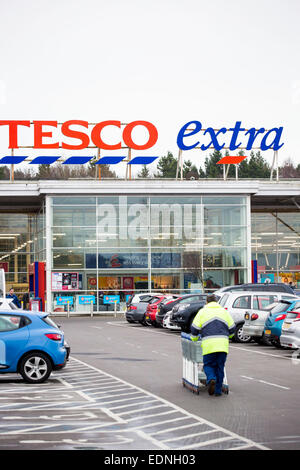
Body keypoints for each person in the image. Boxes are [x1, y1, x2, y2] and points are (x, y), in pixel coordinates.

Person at [190, 294, 235, 397]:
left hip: (209, 346)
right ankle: (218, 391)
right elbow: (232, 328)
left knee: (208, 365)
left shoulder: (202, 312)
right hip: (223, 345)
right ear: (216, 302)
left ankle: (211, 379)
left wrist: (194, 338)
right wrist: (230, 336)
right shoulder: (224, 312)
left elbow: (194, 329)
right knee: (220, 367)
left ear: (207, 302)